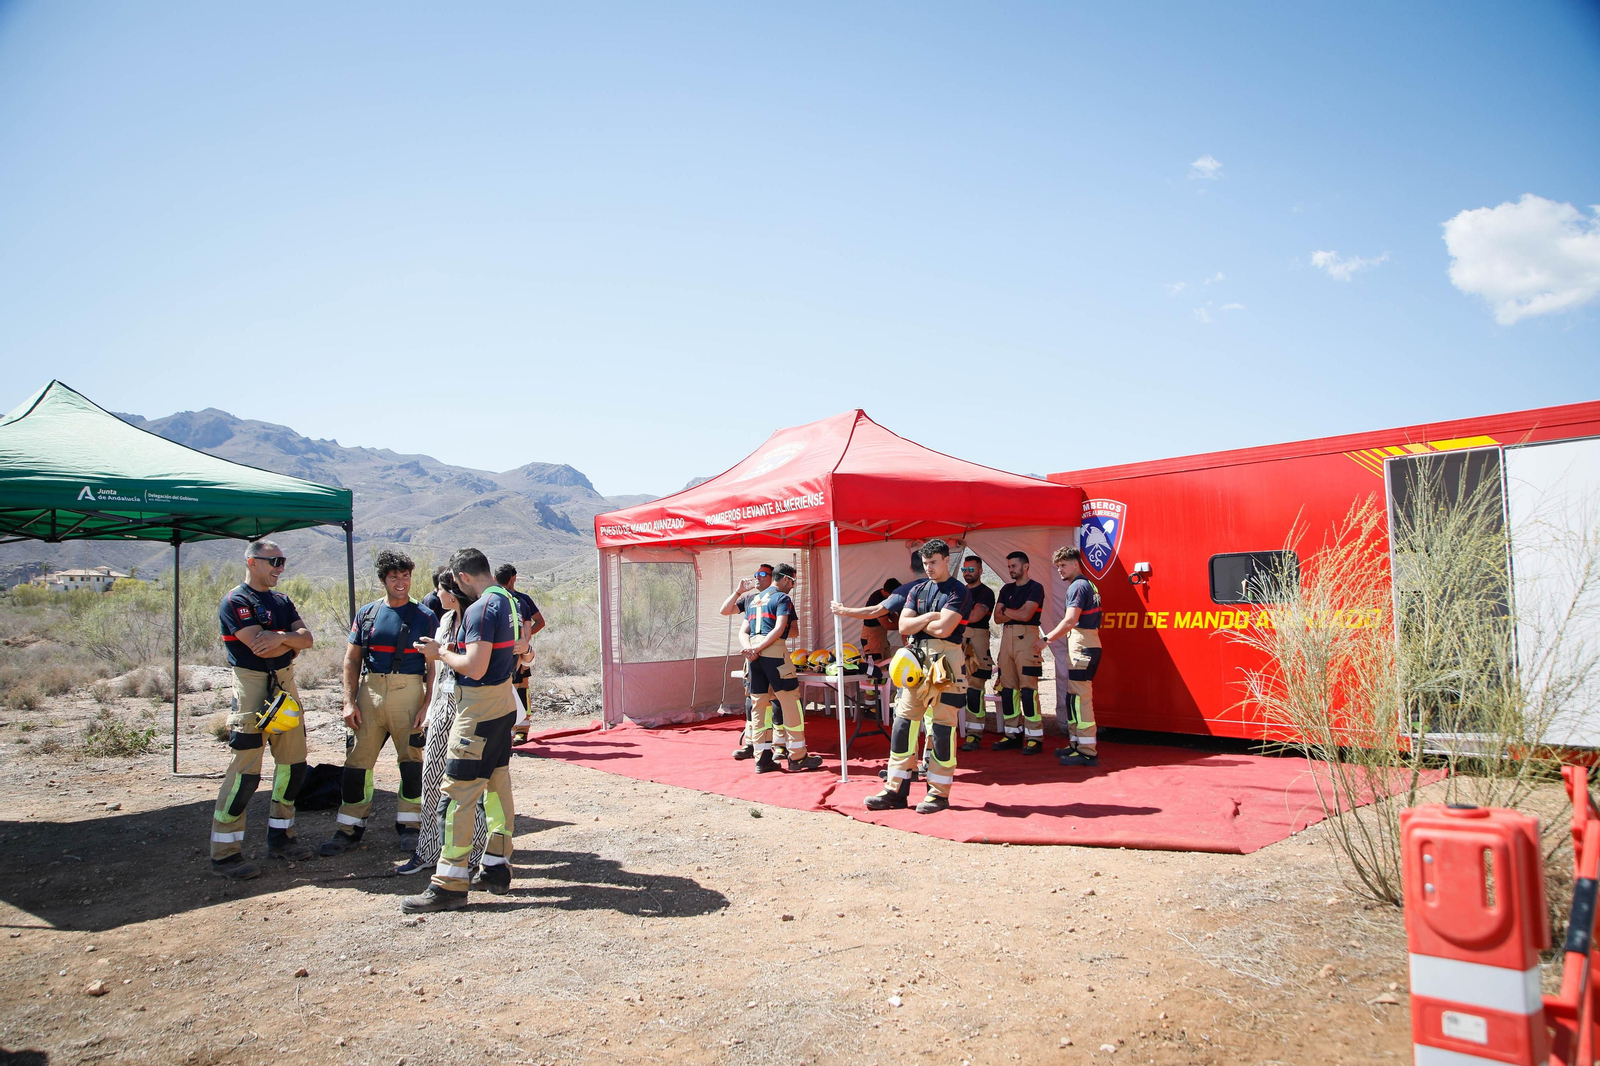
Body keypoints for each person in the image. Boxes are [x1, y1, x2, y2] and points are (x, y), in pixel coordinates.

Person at [403, 548, 521, 912]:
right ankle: (496, 864)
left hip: (478, 708)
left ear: (463, 577)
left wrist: (440, 653)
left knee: (456, 794)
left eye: (454, 581)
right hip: (502, 705)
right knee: (497, 783)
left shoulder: (479, 609)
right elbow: (519, 650)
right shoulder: (510, 601)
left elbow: (474, 667)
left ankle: (449, 883)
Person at [209, 540, 317, 880]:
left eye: (282, 561)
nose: (280, 568)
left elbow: (308, 638)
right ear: (252, 562)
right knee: (245, 775)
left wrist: (281, 637)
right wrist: (288, 639)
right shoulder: (235, 601)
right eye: (274, 561)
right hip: (252, 687)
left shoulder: (282, 600)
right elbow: (261, 647)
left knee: (293, 767)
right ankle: (225, 853)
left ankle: (281, 837)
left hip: (285, 685)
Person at [318, 549, 437, 857]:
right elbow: (352, 659)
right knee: (357, 764)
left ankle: (410, 829)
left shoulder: (425, 616)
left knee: (412, 763)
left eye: (406, 576)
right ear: (383, 579)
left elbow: (433, 665)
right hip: (370, 692)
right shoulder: (367, 614)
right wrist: (349, 701)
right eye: (394, 577)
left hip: (408, 691)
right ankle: (348, 829)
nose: (401, 582)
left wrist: (427, 704)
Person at [864, 539, 969, 815]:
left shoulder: (959, 591)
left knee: (943, 728)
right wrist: (930, 617)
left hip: (946, 664)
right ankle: (895, 789)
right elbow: (903, 625)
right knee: (903, 723)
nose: (929, 568)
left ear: (947, 560)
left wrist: (921, 623)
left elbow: (946, 629)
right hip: (916, 663)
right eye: (925, 563)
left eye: (934, 562)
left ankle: (938, 793)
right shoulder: (918, 590)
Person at [396, 570, 489, 876]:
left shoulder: (477, 622)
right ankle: (428, 850)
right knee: (432, 777)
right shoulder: (446, 622)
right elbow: (436, 670)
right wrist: (430, 704)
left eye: (440, 589)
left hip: (469, 709)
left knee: (467, 783)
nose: (436, 596)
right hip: (442, 706)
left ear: (454, 591)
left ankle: (475, 854)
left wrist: (442, 653)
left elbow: (475, 667)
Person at [744, 564, 821, 773]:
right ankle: (797, 756)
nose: (793, 586)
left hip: (754, 655)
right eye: (793, 582)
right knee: (790, 701)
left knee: (759, 703)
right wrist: (760, 647)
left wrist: (751, 649)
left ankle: (762, 758)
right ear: (785, 579)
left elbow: (743, 631)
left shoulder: (754, 599)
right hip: (773, 652)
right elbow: (779, 629)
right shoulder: (782, 598)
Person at [1038, 546, 1104, 768]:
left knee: (1081, 698)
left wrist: (1046, 639)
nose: (1060, 570)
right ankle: (1076, 743)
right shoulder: (1087, 584)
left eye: (1063, 565)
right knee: (1074, 696)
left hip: (1083, 646)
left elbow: (1069, 620)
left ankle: (1086, 750)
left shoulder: (1077, 586)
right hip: (1086, 644)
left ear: (1076, 563)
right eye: (1058, 567)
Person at [991, 550, 1046, 754]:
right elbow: (997, 618)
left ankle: (1034, 736)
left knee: (1028, 690)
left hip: (1027, 638)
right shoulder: (1006, 589)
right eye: (1009, 566)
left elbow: (1026, 614)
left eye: (1014, 566)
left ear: (1025, 566)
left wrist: (1007, 611)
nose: (1011, 570)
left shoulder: (1035, 588)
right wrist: (1010, 613)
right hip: (1007, 638)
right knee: (1008, 689)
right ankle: (1012, 733)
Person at [720, 563, 776, 759]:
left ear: (772, 577)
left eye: (762, 574)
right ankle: (751, 744)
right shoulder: (750, 599)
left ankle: (772, 746)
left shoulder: (777, 598)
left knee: (771, 701)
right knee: (750, 700)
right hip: (751, 656)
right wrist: (738, 591)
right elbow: (725, 611)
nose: (758, 577)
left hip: (770, 654)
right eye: (756, 574)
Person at [494, 563, 546, 740]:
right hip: (505, 653)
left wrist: (525, 642)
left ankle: (522, 729)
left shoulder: (522, 600)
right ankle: (510, 729)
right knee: (510, 687)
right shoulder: (500, 600)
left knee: (522, 686)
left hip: (519, 653)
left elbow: (539, 622)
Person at [957, 555, 996, 752]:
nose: (967, 573)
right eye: (964, 570)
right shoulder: (959, 591)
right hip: (957, 642)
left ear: (980, 571)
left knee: (975, 688)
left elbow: (975, 616)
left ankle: (974, 734)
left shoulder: (986, 593)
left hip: (977, 642)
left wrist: (954, 615)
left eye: (971, 570)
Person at [858, 577, 903, 662]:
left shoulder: (886, 599)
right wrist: (904, 625)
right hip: (872, 635)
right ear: (887, 592)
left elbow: (892, 616)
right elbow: (887, 625)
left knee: (887, 663)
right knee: (876, 664)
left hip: (881, 635)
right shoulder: (877, 600)